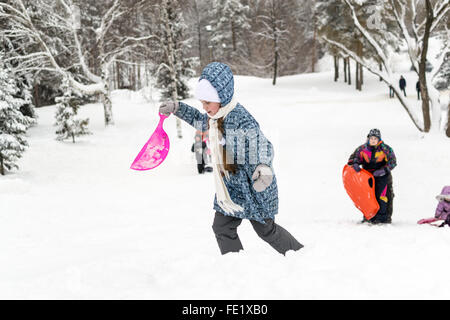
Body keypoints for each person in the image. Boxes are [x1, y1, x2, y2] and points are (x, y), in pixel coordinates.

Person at [159, 62, 303, 255]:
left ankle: (301, 255)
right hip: (232, 188)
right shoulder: (216, 116)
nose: (204, 107)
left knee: (266, 230)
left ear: (221, 96)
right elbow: (200, 121)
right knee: (222, 227)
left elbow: (261, 144)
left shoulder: (240, 118)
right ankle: (235, 265)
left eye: (207, 103)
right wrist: (177, 108)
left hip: (254, 186)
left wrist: (264, 168)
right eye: (202, 103)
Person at [347, 129, 397, 224]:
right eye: (371, 138)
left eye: (375, 138)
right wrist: (355, 164)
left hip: (383, 177)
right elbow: (353, 159)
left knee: (383, 196)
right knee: (368, 197)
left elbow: (393, 162)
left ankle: (383, 217)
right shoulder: (362, 149)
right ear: (368, 139)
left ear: (379, 139)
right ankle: (369, 216)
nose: (373, 140)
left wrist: (384, 170)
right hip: (367, 177)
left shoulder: (385, 149)